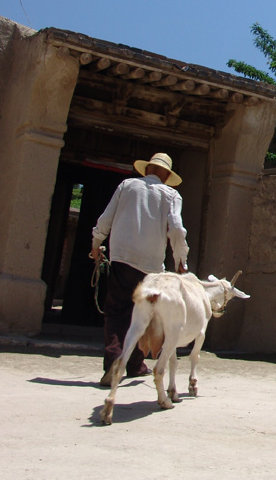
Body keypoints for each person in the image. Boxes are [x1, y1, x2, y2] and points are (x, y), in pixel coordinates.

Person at [90, 152, 189, 386]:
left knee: (116, 311)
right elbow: (176, 229)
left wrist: (96, 244)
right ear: (166, 175)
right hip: (151, 268)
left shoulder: (127, 186)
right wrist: (180, 260)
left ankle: (116, 358)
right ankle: (134, 364)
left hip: (121, 259)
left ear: (147, 170)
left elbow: (106, 219)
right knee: (144, 315)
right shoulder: (171, 195)